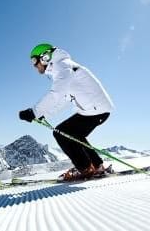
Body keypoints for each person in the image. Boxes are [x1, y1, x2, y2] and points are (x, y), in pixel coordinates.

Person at [19, 43, 114, 180]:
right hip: (94, 109)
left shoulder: (62, 67)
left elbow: (56, 94)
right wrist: (45, 114)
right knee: (74, 135)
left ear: (45, 57)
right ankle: (97, 166)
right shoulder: (63, 66)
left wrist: (33, 112)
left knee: (61, 133)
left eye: (35, 61)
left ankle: (85, 169)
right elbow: (64, 98)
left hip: (95, 110)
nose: (34, 66)